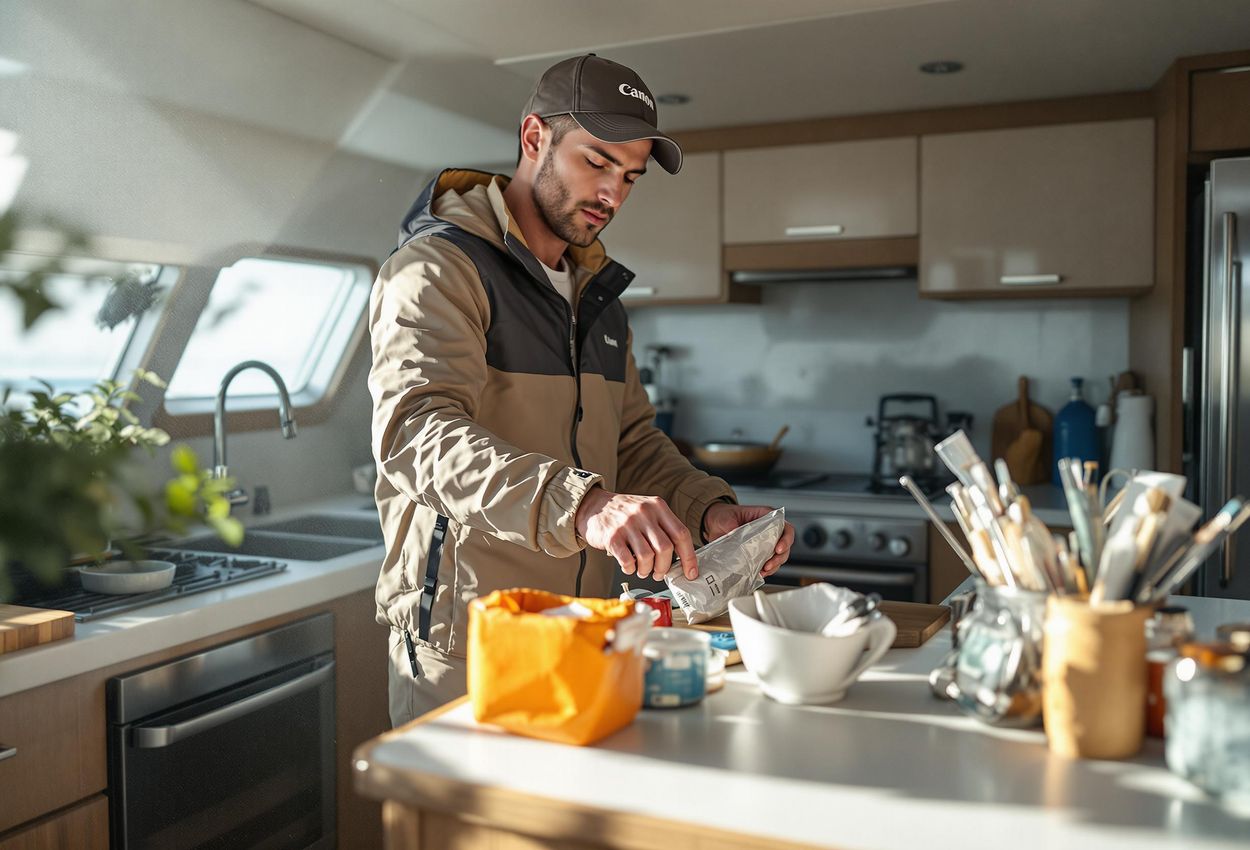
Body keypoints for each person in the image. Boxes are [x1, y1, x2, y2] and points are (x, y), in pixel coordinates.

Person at [368, 53, 795, 727]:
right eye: (597, 163)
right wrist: (586, 505)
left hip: (585, 628)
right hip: (468, 637)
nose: (613, 195)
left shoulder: (599, 299)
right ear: (535, 139)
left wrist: (704, 510)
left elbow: (629, 441)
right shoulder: (438, 269)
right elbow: (417, 434)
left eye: (630, 176)